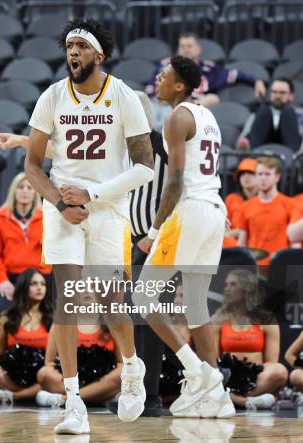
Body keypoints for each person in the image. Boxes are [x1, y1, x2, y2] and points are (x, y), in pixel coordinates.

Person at [24, 18, 155, 433]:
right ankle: (73, 401)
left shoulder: (123, 96)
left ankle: (132, 369)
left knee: (112, 300)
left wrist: (93, 196)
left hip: (108, 208)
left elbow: (145, 167)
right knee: (68, 298)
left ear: (99, 55)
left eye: (81, 45)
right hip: (63, 208)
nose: (72, 52)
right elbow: (31, 165)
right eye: (68, 46)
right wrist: (62, 203)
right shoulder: (51, 96)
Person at [132, 55, 236, 419]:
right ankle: (217, 396)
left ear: (178, 86)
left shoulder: (177, 117)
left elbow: (175, 182)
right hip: (213, 209)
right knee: (195, 304)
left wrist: (154, 231)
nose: (157, 79)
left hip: (189, 212)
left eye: (163, 76)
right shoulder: (208, 117)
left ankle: (196, 371)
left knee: (142, 296)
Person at [212, 270, 288, 409]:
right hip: (227, 377)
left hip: (255, 379)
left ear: (246, 289)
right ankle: (246, 402)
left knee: (279, 370)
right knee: (211, 372)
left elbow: (271, 362)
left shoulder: (267, 320)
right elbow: (213, 358)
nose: (226, 289)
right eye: (226, 284)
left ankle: (232, 399)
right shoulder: (218, 319)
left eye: (233, 284)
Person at [0, 269, 52, 403]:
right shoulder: (6, 318)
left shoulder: (53, 318)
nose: (39, 288)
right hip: (15, 376)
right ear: (23, 287)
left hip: (42, 375)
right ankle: (36, 395)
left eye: (43, 284)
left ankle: (13, 396)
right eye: (34, 284)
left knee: (55, 376)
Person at [144, 32, 266, 109]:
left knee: (213, 98)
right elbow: (149, 89)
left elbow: (234, 74)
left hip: (195, 107)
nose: (186, 50)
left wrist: (257, 81)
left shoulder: (208, 68)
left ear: (198, 49)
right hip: (165, 106)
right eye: (182, 46)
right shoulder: (165, 66)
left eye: (189, 46)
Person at [0, 172, 51, 300]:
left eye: (29, 188)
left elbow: (58, 253)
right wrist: (2, 280)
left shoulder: (47, 217)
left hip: (42, 277)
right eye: (21, 187)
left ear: (36, 192)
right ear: (14, 191)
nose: (25, 191)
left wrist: (50, 244)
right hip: (12, 277)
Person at [36, 323, 122, 407]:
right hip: (70, 378)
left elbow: (120, 363)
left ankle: (64, 399)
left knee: (122, 372)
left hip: (103, 378)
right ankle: (97, 396)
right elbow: (49, 363)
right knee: (44, 373)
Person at [234, 156, 296, 265]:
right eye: (259, 174)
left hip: (281, 267)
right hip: (255, 268)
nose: (263, 178)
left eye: (267, 174)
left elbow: (294, 243)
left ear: (277, 177)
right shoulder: (245, 206)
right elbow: (242, 243)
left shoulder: (290, 204)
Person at [238, 78, 302, 152]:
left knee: (288, 112)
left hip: (291, 152)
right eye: (274, 92)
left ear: (291, 96)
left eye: (282, 93)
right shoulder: (259, 114)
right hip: (260, 150)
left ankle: (293, 158)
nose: (277, 96)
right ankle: (253, 156)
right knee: (264, 111)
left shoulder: (298, 114)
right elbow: (243, 139)